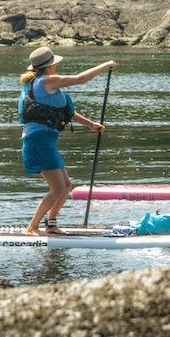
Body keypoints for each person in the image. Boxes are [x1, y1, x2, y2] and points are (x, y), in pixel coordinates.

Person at [18, 47, 115, 235]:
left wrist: (91, 124)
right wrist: (105, 65)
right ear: (50, 66)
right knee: (57, 188)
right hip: (39, 140)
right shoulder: (47, 80)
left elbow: (65, 113)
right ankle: (32, 227)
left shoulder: (40, 84)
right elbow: (80, 79)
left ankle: (51, 224)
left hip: (43, 139)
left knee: (66, 185)